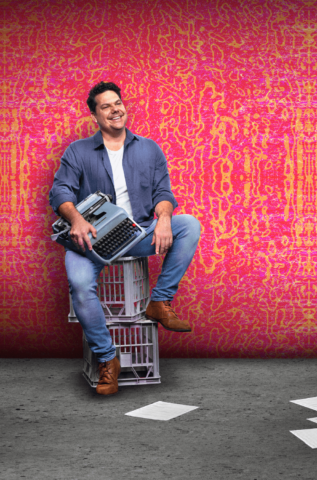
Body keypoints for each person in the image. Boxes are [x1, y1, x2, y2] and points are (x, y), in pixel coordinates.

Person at [49, 81, 200, 395]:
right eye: (105, 106)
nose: (115, 109)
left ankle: (159, 302)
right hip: (89, 238)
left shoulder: (148, 148)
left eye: (117, 103)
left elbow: (163, 192)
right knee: (79, 285)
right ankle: (108, 359)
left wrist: (164, 217)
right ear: (95, 115)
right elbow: (59, 191)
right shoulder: (78, 151)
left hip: (136, 233)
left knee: (189, 224)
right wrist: (75, 219)